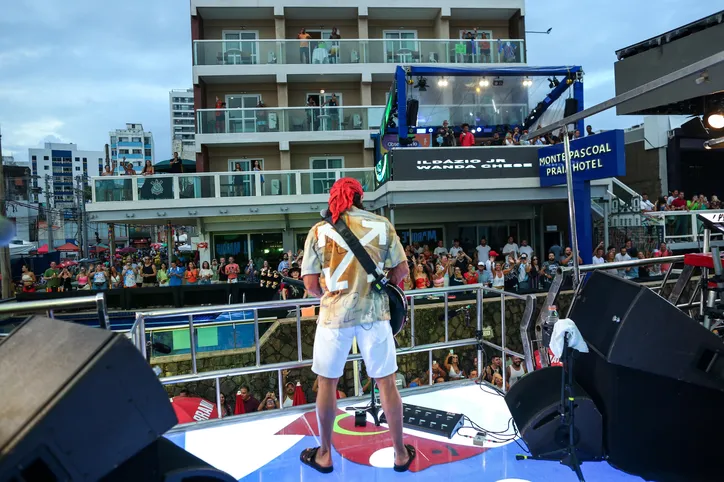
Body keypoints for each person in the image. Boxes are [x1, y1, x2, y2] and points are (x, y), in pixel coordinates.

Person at [299, 177, 415, 473]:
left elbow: (311, 284)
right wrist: (379, 282)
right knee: (386, 383)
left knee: (327, 384)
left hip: (334, 317)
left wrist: (331, 291)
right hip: (374, 315)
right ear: (359, 197)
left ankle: (324, 454)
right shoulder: (382, 224)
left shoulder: (318, 230)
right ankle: (400, 454)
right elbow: (401, 269)